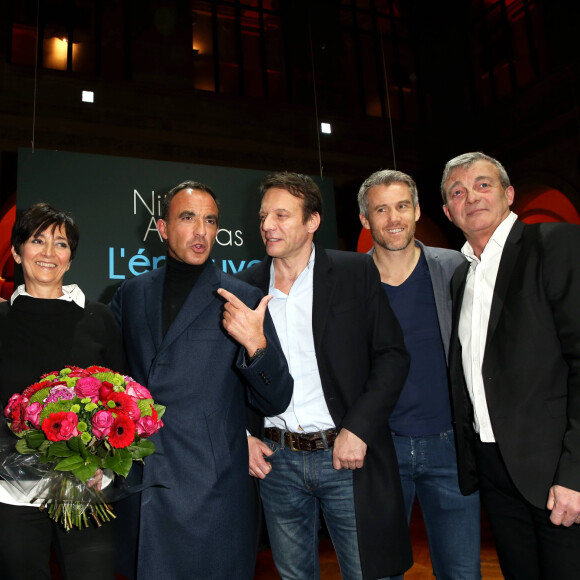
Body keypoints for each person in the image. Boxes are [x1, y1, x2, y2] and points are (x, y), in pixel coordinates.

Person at [231, 171, 412, 580]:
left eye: (281, 215)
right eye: (263, 216)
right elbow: (229, 379)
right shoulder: (245, 287)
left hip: (346, 458)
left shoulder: (355, 273)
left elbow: (392, 356)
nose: (267, 226)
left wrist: (359, 429)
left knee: (370, 573)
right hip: (277, 464)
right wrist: (244, 437)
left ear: (312, 221)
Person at [109, 180, 293, 580]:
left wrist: (256, 345)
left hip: (211, 487)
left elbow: (277, 396)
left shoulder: (240, 295)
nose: (201, 231)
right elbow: (111, 381)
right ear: (162, 228)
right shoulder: (131, 293)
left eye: (210, 221)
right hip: (143, 482)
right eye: (188, 218)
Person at [441, 151, 580, 579]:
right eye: (458, 192)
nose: (473, 197)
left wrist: (574, 475)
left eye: (484, 185)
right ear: (448, 211)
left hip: (555, 472)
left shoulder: (555, 245)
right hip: (494, 471)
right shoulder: (461, 277)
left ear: (509, 194)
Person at [357, 169, 481, 580]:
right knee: (381, 572)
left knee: (462, 572)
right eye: (381, 209)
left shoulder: (453, 268)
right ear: (365, 219)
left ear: (417, 211)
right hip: (380, 450)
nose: (393, 218)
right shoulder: (349, 282)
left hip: (450, 446)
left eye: (402, 206)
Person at [0, 202, 124, 580]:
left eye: (61, 244)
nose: (49, 253)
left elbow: (121, 399)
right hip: (12, 492)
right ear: (17, 251)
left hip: (86, 487)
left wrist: (102, 461)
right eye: (38, 241)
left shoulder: (98, 317)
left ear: (70, 258)